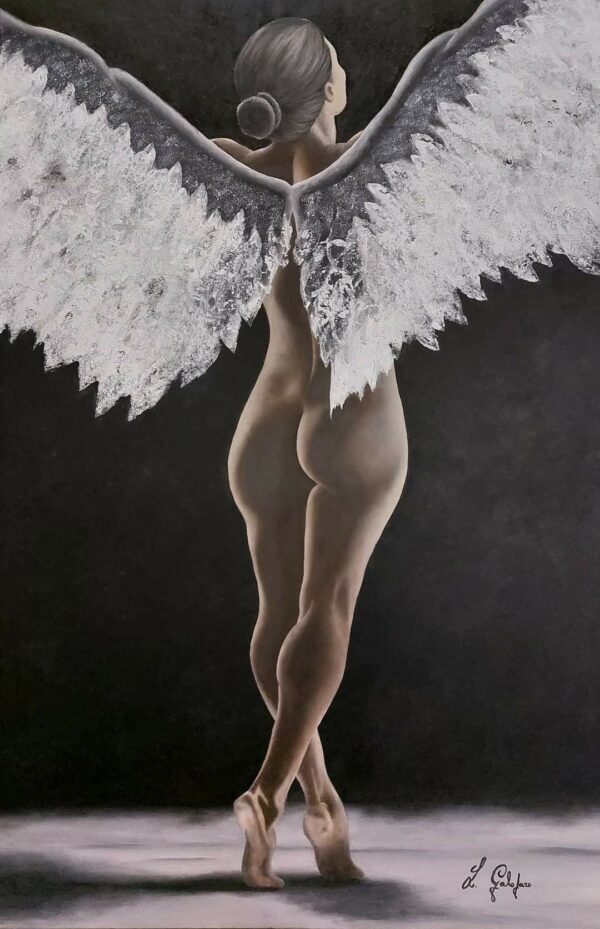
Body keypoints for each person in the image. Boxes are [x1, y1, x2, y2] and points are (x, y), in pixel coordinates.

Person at [211, 17, 408, 889]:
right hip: (349, 407)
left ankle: (321, 803)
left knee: (278, 615)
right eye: (336, 63)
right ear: (328, 89)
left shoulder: (228, 166)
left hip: (267, 415)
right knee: (326, 605)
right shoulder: (373, 159)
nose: (345, 70)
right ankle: (266, 792)